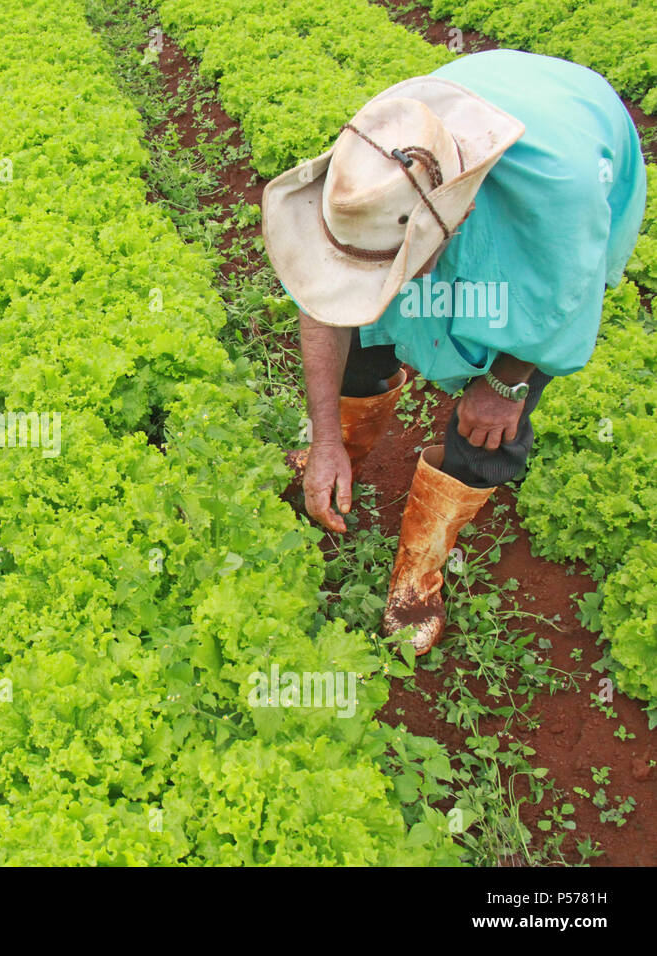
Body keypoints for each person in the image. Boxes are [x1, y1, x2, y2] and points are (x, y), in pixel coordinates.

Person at [263, 50, 645, 655]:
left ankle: (420, 573)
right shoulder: (374, 161)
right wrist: (327, 438)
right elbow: (324, 311)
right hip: (474, 110)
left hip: (571, 161)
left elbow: (567, 294)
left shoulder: (561, 198)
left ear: (456, 219)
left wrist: (506, 384)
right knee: (364, 336)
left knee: (489, 428)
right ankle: (347, 460)